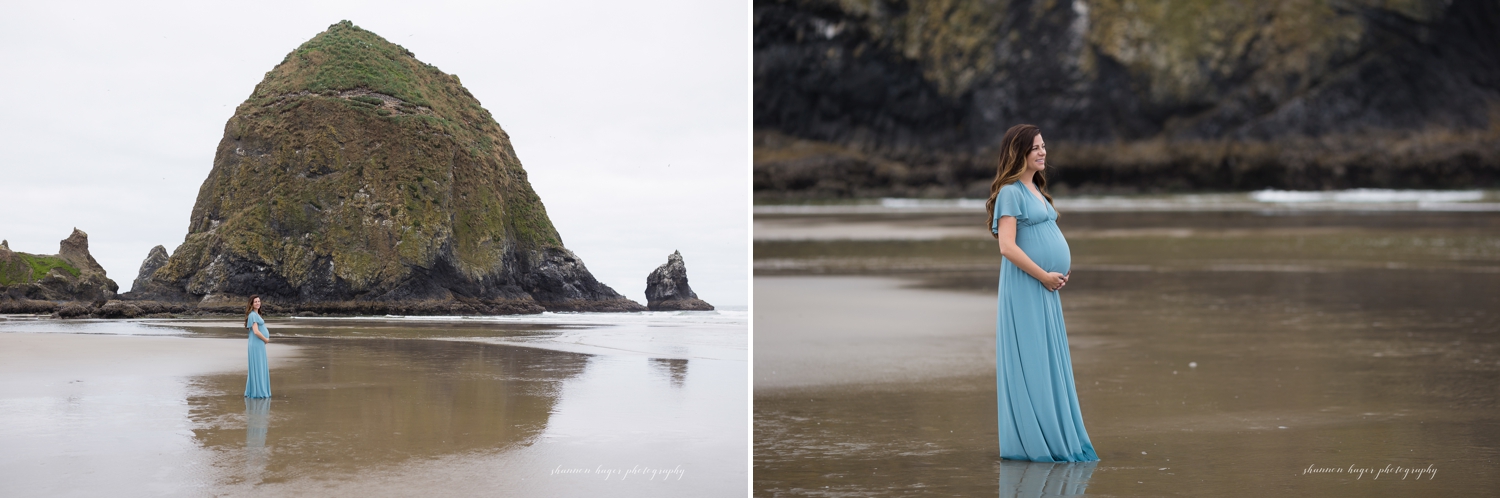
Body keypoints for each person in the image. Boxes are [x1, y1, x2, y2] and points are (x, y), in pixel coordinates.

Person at [986, 124, 1098, 462]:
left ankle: (1057, 435)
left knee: (1049, 361)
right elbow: (1007, 247)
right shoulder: (1010, 191)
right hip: (1027, 287)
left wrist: (1059, 269)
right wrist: (1043, 275)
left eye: (1044, 146)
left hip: (1047, 287)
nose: (1042, 152)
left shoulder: (1035, 188)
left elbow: (1044, 235)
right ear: (1018, 152)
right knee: (1033, 361)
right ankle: (1038, 442)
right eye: (1035, 147)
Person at [245, 295, 271, 398]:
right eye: (255, 302)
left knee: (260, 366)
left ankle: (257, 389)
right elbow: (256, 331)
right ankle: (258, 392)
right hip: (256, 343)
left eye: (259, 301)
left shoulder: (256, 314)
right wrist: (265, 339)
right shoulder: (252, 315)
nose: (257, 303)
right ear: (251, 303)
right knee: (258, 366)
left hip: (258, 343)